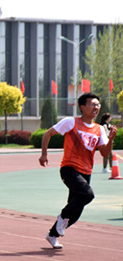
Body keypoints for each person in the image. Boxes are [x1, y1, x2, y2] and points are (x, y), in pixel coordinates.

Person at [39, 93, 116, 249]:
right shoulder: (71, 122)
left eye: (98, 105)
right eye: (93, 104)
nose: (97, 107)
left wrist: (111, 139)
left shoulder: (100, 129)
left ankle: (53, 234)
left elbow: (104, 153)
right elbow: (48, 133)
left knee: (75, 212)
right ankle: (61, 218)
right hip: (69, 168)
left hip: (86, 172)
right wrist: (44, 154)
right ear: (82, 107)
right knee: (87, 195)